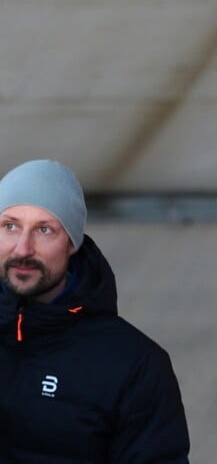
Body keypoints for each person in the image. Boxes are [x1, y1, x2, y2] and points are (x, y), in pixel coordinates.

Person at [0, 159, 190, 463]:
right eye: (10, 226)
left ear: (73, 243)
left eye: (44, 230)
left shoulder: (134, 363)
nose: (23, 248)